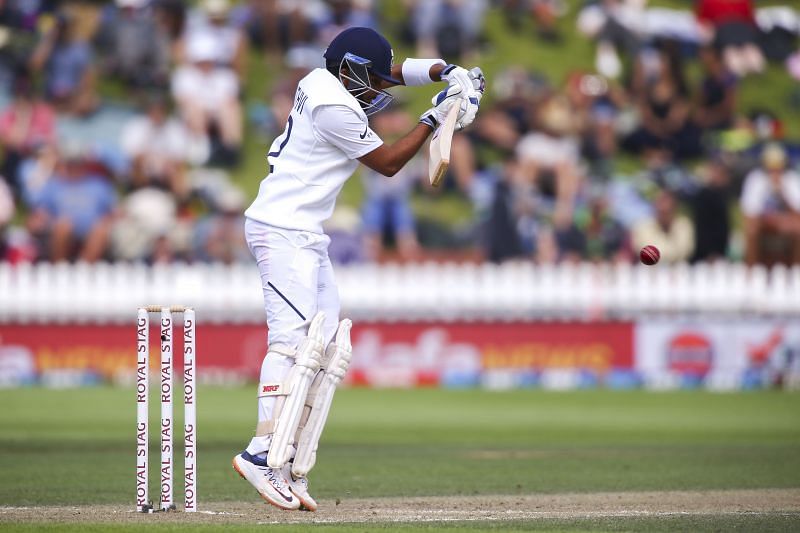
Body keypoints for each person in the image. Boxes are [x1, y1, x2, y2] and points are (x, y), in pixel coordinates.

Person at [232, 26, 484, 511]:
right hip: (281, 231)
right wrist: (438, 114)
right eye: (370, 78)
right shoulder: (334, 108)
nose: (379, 88)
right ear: (348, 70)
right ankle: (260, 453)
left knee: (322, 346)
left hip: (304, 231)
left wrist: (451, 75)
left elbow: (397, 71)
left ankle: (286, 459)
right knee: (289, 342)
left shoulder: (323, 79)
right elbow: (389, 162)